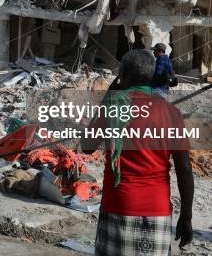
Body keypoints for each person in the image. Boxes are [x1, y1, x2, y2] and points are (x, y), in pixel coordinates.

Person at [82, 49, 194, 256]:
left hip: (119, 206)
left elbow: (87, 146)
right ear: (151, 77)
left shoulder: (113, 107)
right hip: (158, 210)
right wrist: (186, 216)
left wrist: (108, 96)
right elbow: (184, 168)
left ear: (122, 77)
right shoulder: (171, 112)